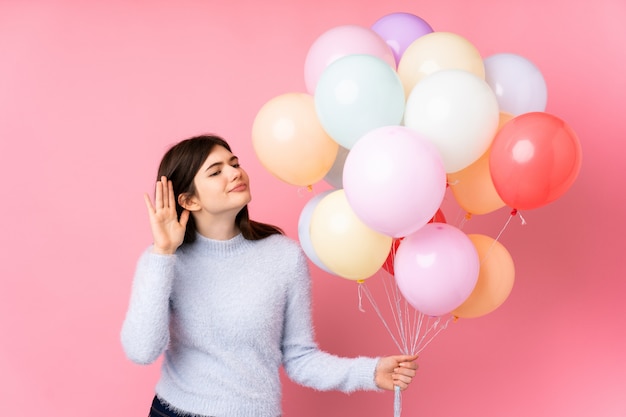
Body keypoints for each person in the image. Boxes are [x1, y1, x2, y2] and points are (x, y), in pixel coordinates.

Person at [121, 134, 419, 417]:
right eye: (216, 172)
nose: (235, 173)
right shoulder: (164, 261)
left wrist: (369, 373)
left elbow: (300, 358)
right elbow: (141, 351)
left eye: (234, 164)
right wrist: (162, 253)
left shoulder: (283, 257)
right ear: (189, 201)